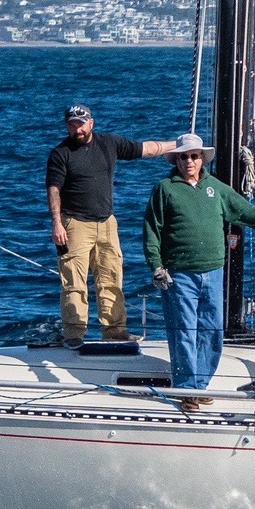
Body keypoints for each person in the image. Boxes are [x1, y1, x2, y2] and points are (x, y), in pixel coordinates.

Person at [143, 133, 255, 412]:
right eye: (184, 156)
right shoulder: (164, 189)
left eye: (194, 156)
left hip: (213, 273)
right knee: (184, 332)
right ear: (176, 159)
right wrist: (156, 266)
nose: (189, 161)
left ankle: (199, 385)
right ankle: (186, 389)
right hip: (179, 275)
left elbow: (247, 213)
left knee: (212, 331)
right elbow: (151, 231)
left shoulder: (216, 188)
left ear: (202, 158)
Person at [46, 104, 176, 349]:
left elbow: (145, 149)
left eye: (81, 124)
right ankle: (74, 335)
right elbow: (53, 189)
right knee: (74, 282)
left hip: (107, 223)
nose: (78, 129)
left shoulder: (109, 143)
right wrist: (56, 223)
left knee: (111, 278)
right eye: (72, 125)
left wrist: (178, 144)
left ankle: (115, 332)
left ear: (91, 123)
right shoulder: (60, 153)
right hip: (74, 225)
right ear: (67, 126)